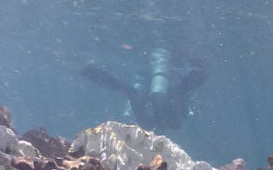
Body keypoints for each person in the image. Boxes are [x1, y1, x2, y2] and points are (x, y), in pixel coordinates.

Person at [79, 48, 209, 132]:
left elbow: (182, 99)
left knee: (133, 93)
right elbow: (182, 103)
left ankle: (92, 73)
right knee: (132, 93)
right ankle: (92, 73)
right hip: (158, 119)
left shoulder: (154, 123)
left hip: (153, 119)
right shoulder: (170, 122)